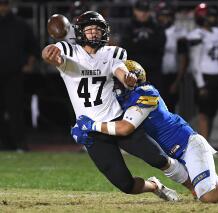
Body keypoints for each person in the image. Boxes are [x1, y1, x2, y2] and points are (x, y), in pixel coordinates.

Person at [75, 60, 218, 203]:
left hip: (188, 144)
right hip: (178, 153)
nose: (116, 85)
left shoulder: (146, 93)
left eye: (121, 80)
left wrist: (91, 126)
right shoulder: (121, 101)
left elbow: (125, 127)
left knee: (208, 195)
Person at [42, 10, 190, 201]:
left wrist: (127, 78)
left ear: (105, 32)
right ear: (80, 32)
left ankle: (196, 188)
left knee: (158, 158)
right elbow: (52, 55)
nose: (94, 33)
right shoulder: (69, 51)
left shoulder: (113, 52)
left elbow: (119, 69)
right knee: (126, 185)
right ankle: (155, 186)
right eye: (89, 29)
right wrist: (48, 53)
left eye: (97, 29)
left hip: (117, 120)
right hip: (91, 131)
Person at [0, 0, 37, 151]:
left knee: (15, 110)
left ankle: (20, 144)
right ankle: (3, 144)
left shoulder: (20, 24)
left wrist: (29, 64)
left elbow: (33, 47)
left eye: (4, 4)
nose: (2, 7)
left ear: (8, 5)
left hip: (14, 74)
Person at [187, 2, 218, 140]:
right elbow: (195, 62)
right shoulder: (196, 34)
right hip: (204, 77)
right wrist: (201, 84)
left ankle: (206, 143)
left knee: (211, 113)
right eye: (209, 16)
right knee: (203, 113)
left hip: (216, 77)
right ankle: (204, 146)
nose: (212, 18)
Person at [121, 0, 166, 92]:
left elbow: (160, 43)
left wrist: (137, 43)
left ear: (150, 11)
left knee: (155, 99)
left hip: (154, 70)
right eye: (140, 10)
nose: (143, 14)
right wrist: (148, 44)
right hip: (134, 71)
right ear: (135, 11)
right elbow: (126, 46)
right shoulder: (128, 27)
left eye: (145, 11)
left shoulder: (156, 26)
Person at [155, 1, 188, 113]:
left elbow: (183, 58)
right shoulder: (153, 31)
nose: (165, 19)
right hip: (155, 75)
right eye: (162, 16)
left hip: (171, 76)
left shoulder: (179, 32)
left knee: (170, 109)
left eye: (167, 16)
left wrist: (177, 81)